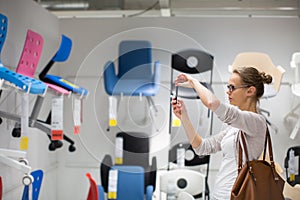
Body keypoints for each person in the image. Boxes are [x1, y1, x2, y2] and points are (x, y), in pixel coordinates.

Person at [171, 66, 273, 200]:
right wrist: (184, 117)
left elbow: (212, 103)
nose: (228, 92)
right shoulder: (235, 128)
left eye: (232, 87)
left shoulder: (257, 122)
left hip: (236, 196)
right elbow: (202, 148)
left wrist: (193, 82)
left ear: (250, 91)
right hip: (219, 195)